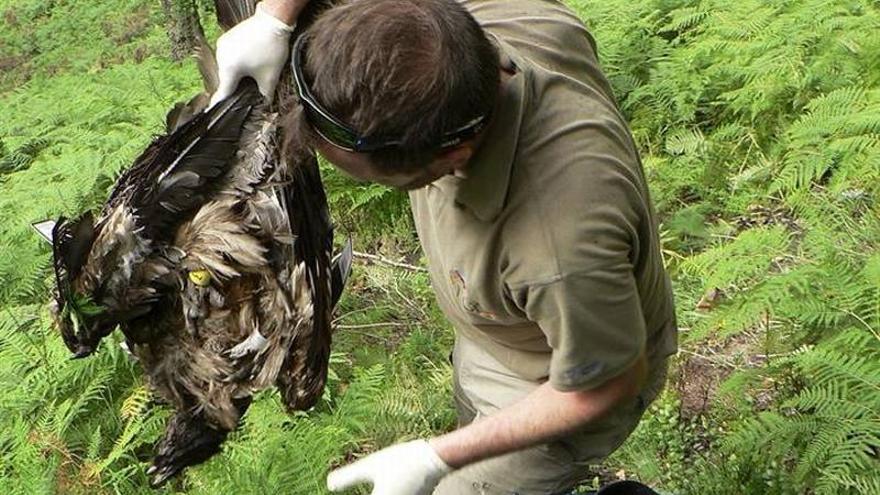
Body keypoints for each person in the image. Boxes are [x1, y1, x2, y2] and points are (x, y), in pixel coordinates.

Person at [213, 1, 678, 494]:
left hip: (556, 375)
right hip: (495, 328)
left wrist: (437, 456)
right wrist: (274, 18)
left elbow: (607, 382)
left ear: (451, 159)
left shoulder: (557, 246)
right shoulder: (473, 26)